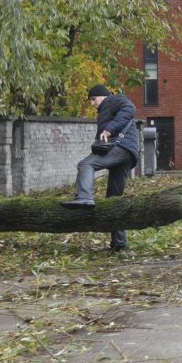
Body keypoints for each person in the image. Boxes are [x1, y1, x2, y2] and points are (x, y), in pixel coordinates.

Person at [62, 84, 140, 252]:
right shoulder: (106, 109)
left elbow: (130, 109)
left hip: (122, 148)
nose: (92, 103)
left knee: (86, 164)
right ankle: (120, 243)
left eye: (93, 99)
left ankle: (84, 197)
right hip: (127, 153)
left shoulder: (115, 100)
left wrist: (109, 130)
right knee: (113, 199)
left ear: (103, 96)